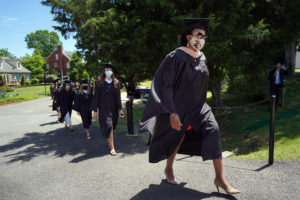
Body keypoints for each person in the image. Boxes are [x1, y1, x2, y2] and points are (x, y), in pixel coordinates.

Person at [139, 18, 240, 195]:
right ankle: (169, 168)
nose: (201, 39)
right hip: (177, 107)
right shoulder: (176, 56)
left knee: (213, 129)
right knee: (178, 138)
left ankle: (220, 179)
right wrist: (171, 112)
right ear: (188, 36)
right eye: (198, 35)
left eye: (204, 36)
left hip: (199, 106)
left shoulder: (202, 58)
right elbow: (166, 85)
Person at [91, 64, 124, 156]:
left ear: (112, 71)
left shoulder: (116, 82)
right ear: (104, 71)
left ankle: (109, 140)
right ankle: (112, 147)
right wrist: (95, 110)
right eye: (106, 69)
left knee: (112, 126)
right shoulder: (99, 82)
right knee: (109, 126)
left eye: (109, 69)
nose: (108, 70)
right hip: (103, 108)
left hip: (113, 108)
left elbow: (118, 97)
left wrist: (120, 108)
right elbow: (96, 96)